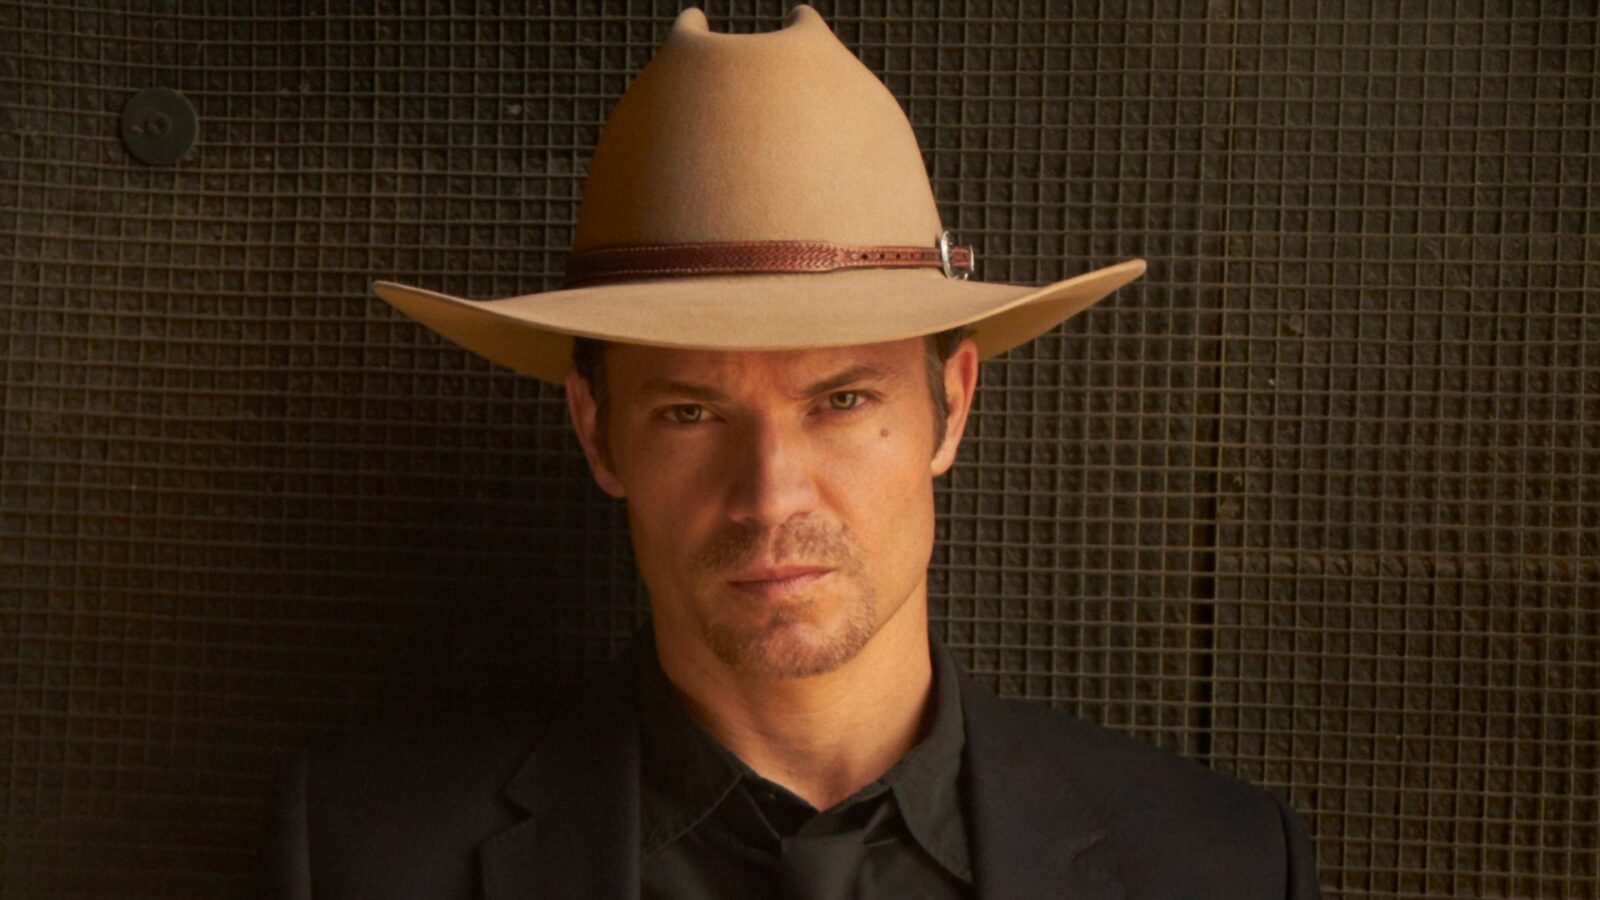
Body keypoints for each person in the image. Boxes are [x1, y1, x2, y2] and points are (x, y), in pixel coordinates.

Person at [272, 5, 1321, 898]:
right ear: (596, 430)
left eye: (841, 401)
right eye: (691, 414)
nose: (770, 496)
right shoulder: (369, 857)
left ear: (951, 407)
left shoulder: (1218, 867)